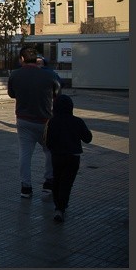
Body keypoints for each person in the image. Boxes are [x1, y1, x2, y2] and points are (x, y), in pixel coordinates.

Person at [7, 45, 61, 199]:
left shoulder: (15, 75)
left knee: (25, 153)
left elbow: (11, 94)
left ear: (22, 59)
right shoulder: (49, 75)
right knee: (49, 151)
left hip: (24, 119)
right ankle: (48, 182)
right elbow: (57, 94)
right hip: (45, 120)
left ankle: (26, 187)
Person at [44, 94, 93, 223]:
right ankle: (61, 207)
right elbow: (88, 138)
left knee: (57, 180)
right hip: (73, 157)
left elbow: (48, 142)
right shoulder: (77, 121)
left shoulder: (52, 121)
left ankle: (58, 207)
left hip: (57, 156)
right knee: (67, 183)